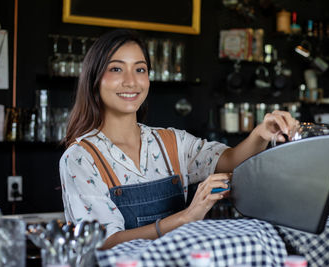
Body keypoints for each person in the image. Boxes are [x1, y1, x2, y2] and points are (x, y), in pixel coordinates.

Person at [59, 29, 298, 250]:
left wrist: (261, 134)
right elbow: (104, 244)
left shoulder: (171, 143)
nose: (131, 81)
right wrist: (186, 217)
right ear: (94, 80)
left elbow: (232, 160)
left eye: (140, 69)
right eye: (116, 69)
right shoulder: (81, 158)